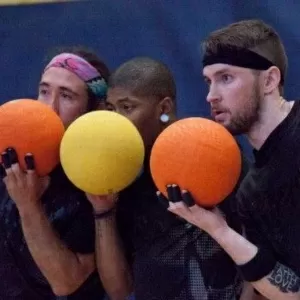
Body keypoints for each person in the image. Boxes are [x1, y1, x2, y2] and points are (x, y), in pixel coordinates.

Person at [86, 57, 252, 300]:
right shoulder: (124, 175)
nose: (116, 120)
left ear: (163, 109)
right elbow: (119, 289)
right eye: (111, 109)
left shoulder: (209, 149)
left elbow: (258, 245)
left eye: (127, 107)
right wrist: (103, 212)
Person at [165, 19, 300, 300]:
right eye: (208, 81)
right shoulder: (251, 191)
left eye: (226, 78)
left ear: (269, 80)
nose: (211, 96)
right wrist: (217, 229)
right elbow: (292, 291)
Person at [0, 46, 110, 299]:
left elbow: (66, 282)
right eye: (44, 91)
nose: (50, 107)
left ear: (91, 111)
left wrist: (28, 205)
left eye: (67, 96)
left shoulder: (96, 179)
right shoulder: (10, 155)